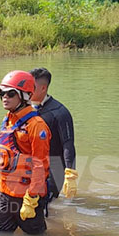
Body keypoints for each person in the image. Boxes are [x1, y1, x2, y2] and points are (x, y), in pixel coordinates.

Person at [0, 70, 51, 235]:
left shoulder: (36, 126)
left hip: (27, 197)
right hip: (5, 193)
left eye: (11, 93)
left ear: (25, 96)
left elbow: (40, 164)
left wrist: (32, 198)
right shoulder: (7, 120)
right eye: (2, 93)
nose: (5, 97)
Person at [29, 67, 77, 201]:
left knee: (44, 207)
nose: (27, 90)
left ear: (43, 88)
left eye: (31, 87)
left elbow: (68, 145)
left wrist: (70, 173)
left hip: (54, 168)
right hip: (33, 166)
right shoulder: (26, 109)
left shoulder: (60, 112)